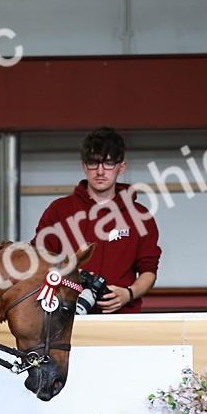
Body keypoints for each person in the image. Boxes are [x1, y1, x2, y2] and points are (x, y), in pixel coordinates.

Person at [30, 127, 161, 313]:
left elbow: (149, 271)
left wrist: (128, 294)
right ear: (84, 165)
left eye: (108, 163)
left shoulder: (140, 216)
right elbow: (38, 259)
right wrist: (69, 272)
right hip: (65, 318)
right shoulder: (59, 211)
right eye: (93, 163)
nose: (100, 171)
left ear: (121, 167)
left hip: (122, 319)